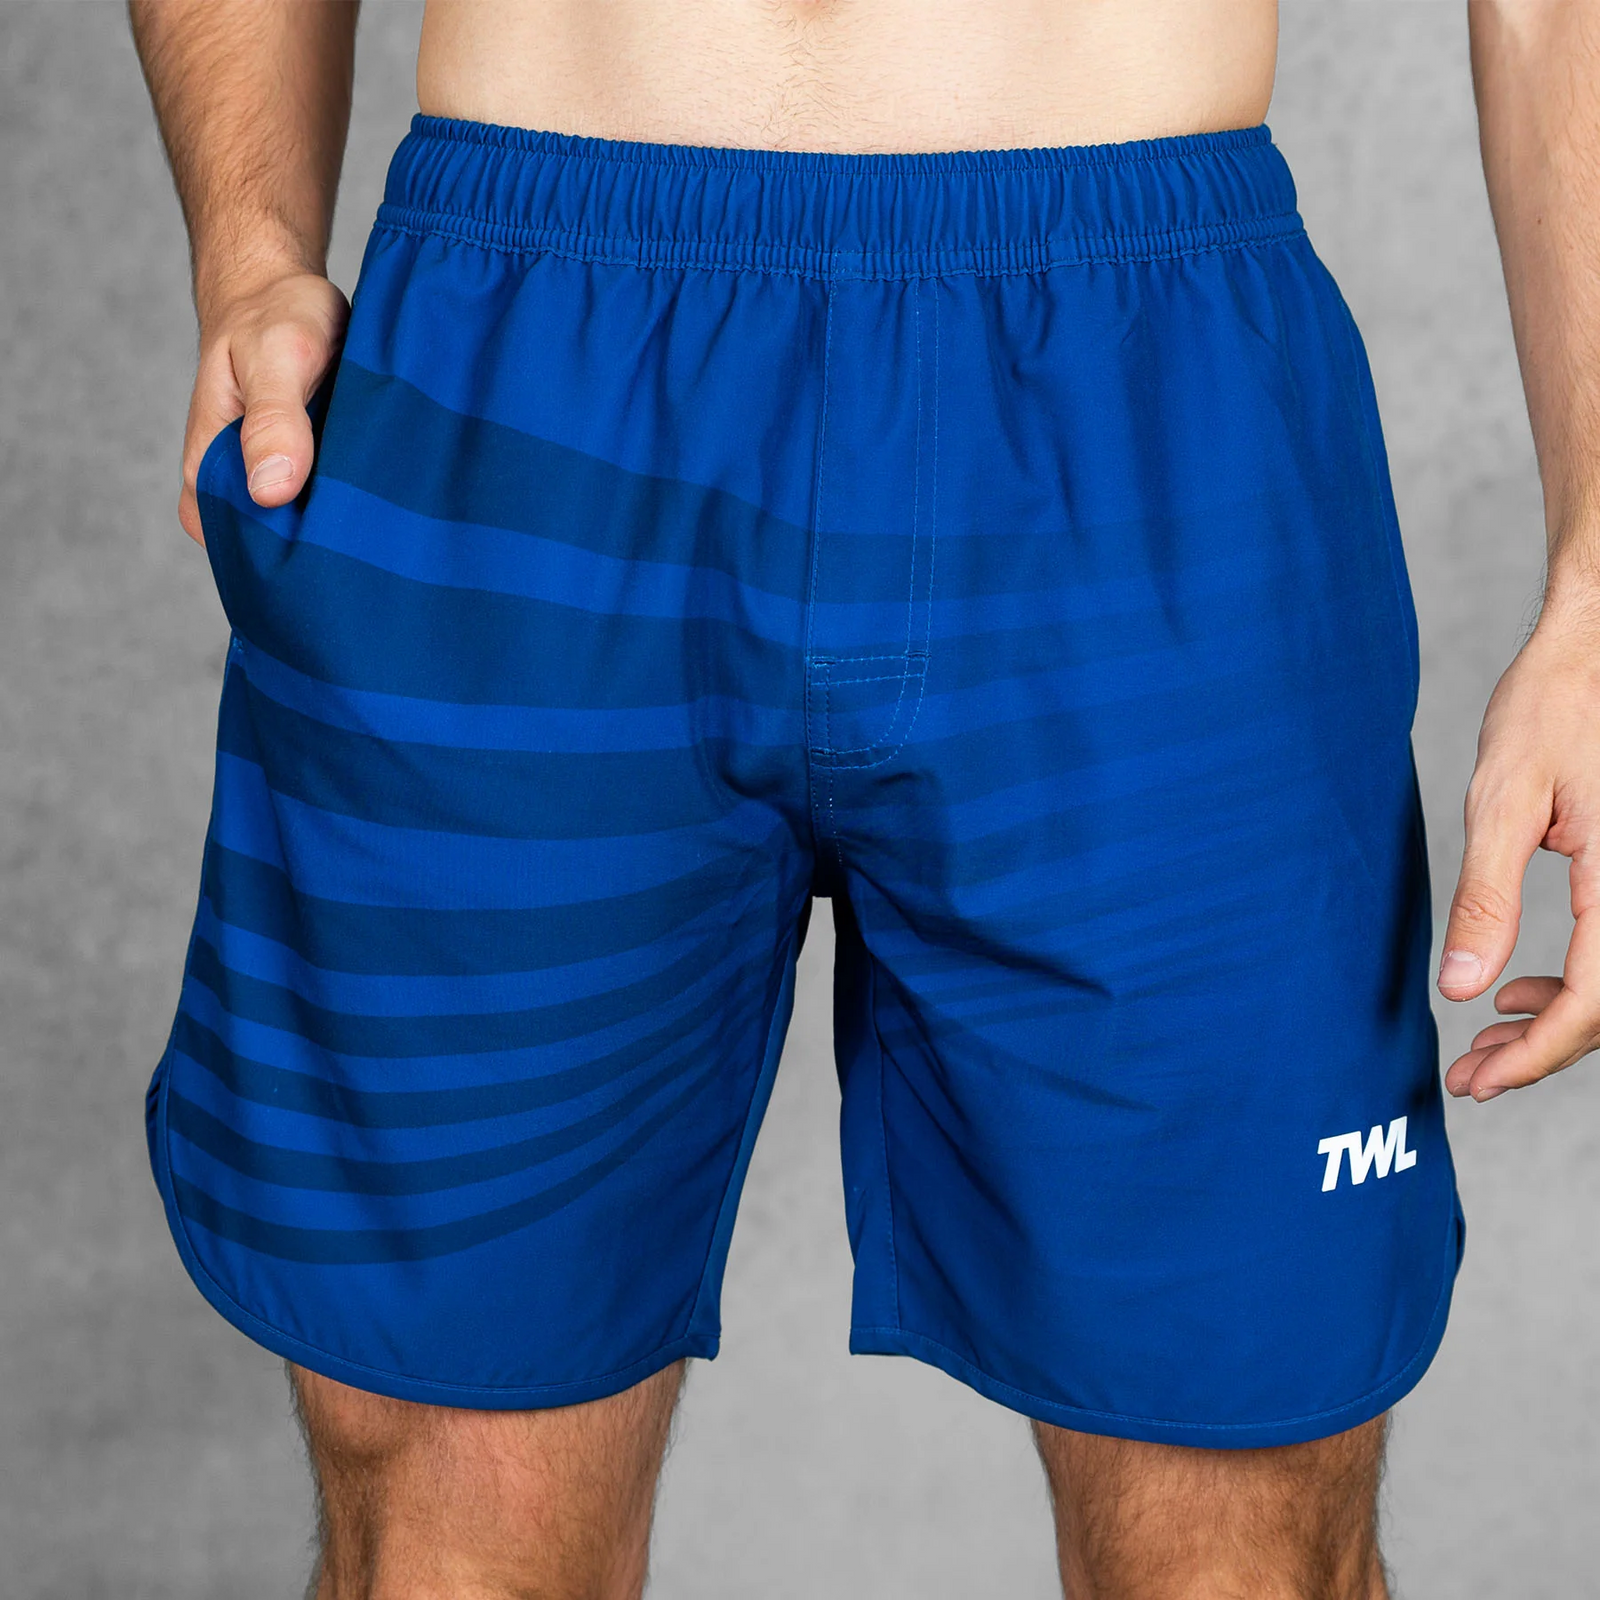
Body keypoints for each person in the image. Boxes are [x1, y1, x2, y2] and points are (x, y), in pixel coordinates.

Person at [126, 3, 1600, 1595]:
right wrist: (250, 249)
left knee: (1244, 1528)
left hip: (1140, 390)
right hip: (527, 376)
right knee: (450, 1530)